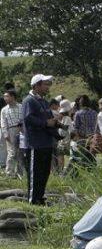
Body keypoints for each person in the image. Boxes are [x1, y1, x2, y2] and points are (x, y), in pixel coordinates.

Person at [21, 74, 65, 205]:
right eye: (45, 84)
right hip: (35, 144)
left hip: (46, 143)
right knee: (35, 173)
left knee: (45, 172)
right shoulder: (29, 100)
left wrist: (59, 127)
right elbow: (28, 119)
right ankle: (33, 199)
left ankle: (40, 197)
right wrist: (46, 123)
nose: (48, 87)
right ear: (36, 86)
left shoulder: (44, 102)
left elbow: (49, 121)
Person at [2, 89, 22, 177]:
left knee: (21, 152)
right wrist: (5, 134)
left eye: (6, 96)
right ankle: (9, 173)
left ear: (12, 97)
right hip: (11, 130)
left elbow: (24, 118)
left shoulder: (21, 107)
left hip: (21, 129)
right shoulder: (4, 110)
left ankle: (20, 173)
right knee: (12, 152)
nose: (5, 98)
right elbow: (3, 122)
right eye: (4, 96)